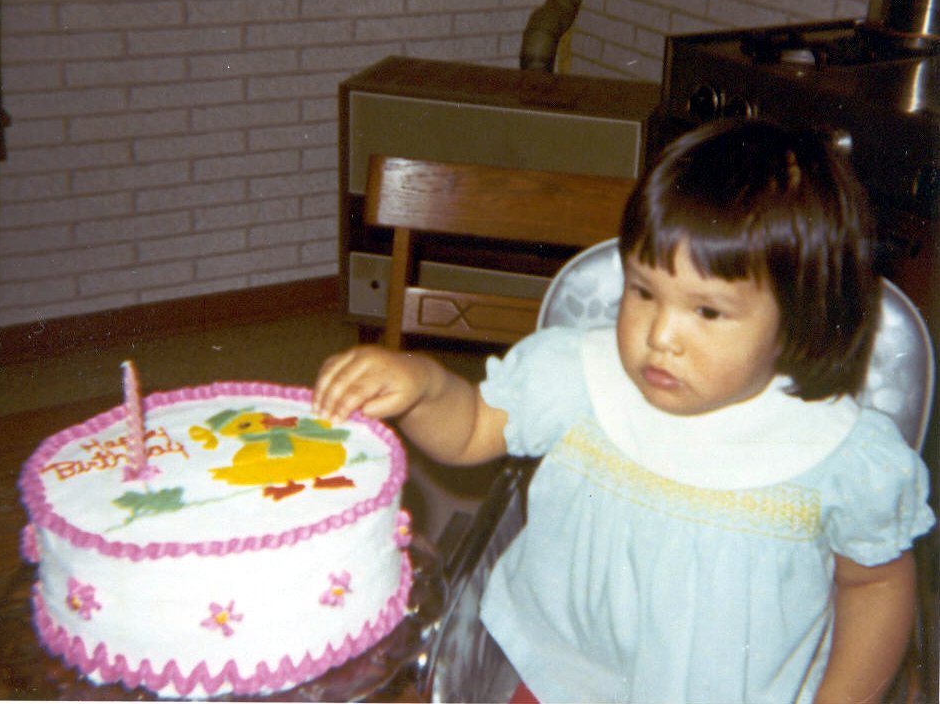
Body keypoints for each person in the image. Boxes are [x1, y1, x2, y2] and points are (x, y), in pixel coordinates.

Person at [314, 119, 935, 704]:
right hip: (560, 670)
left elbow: (874, 585)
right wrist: (425, 387)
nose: (659, 336)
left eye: (707, 311)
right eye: (642, 291)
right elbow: (473, 428)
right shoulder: (577, 377)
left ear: (799, 320)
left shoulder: (839, 454)